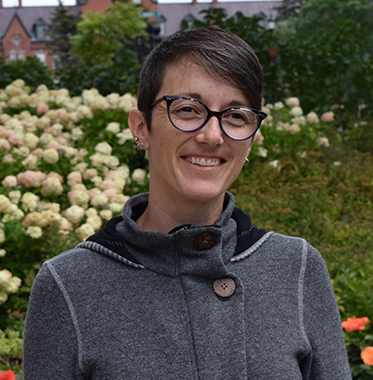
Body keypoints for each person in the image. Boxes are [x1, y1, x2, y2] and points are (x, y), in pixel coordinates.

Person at [23, 26, 351, 379]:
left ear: (252, 140)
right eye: (188, 110)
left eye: (236, 116)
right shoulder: (69, 285)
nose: (212, 136)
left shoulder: (296, 269)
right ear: (141, 128)